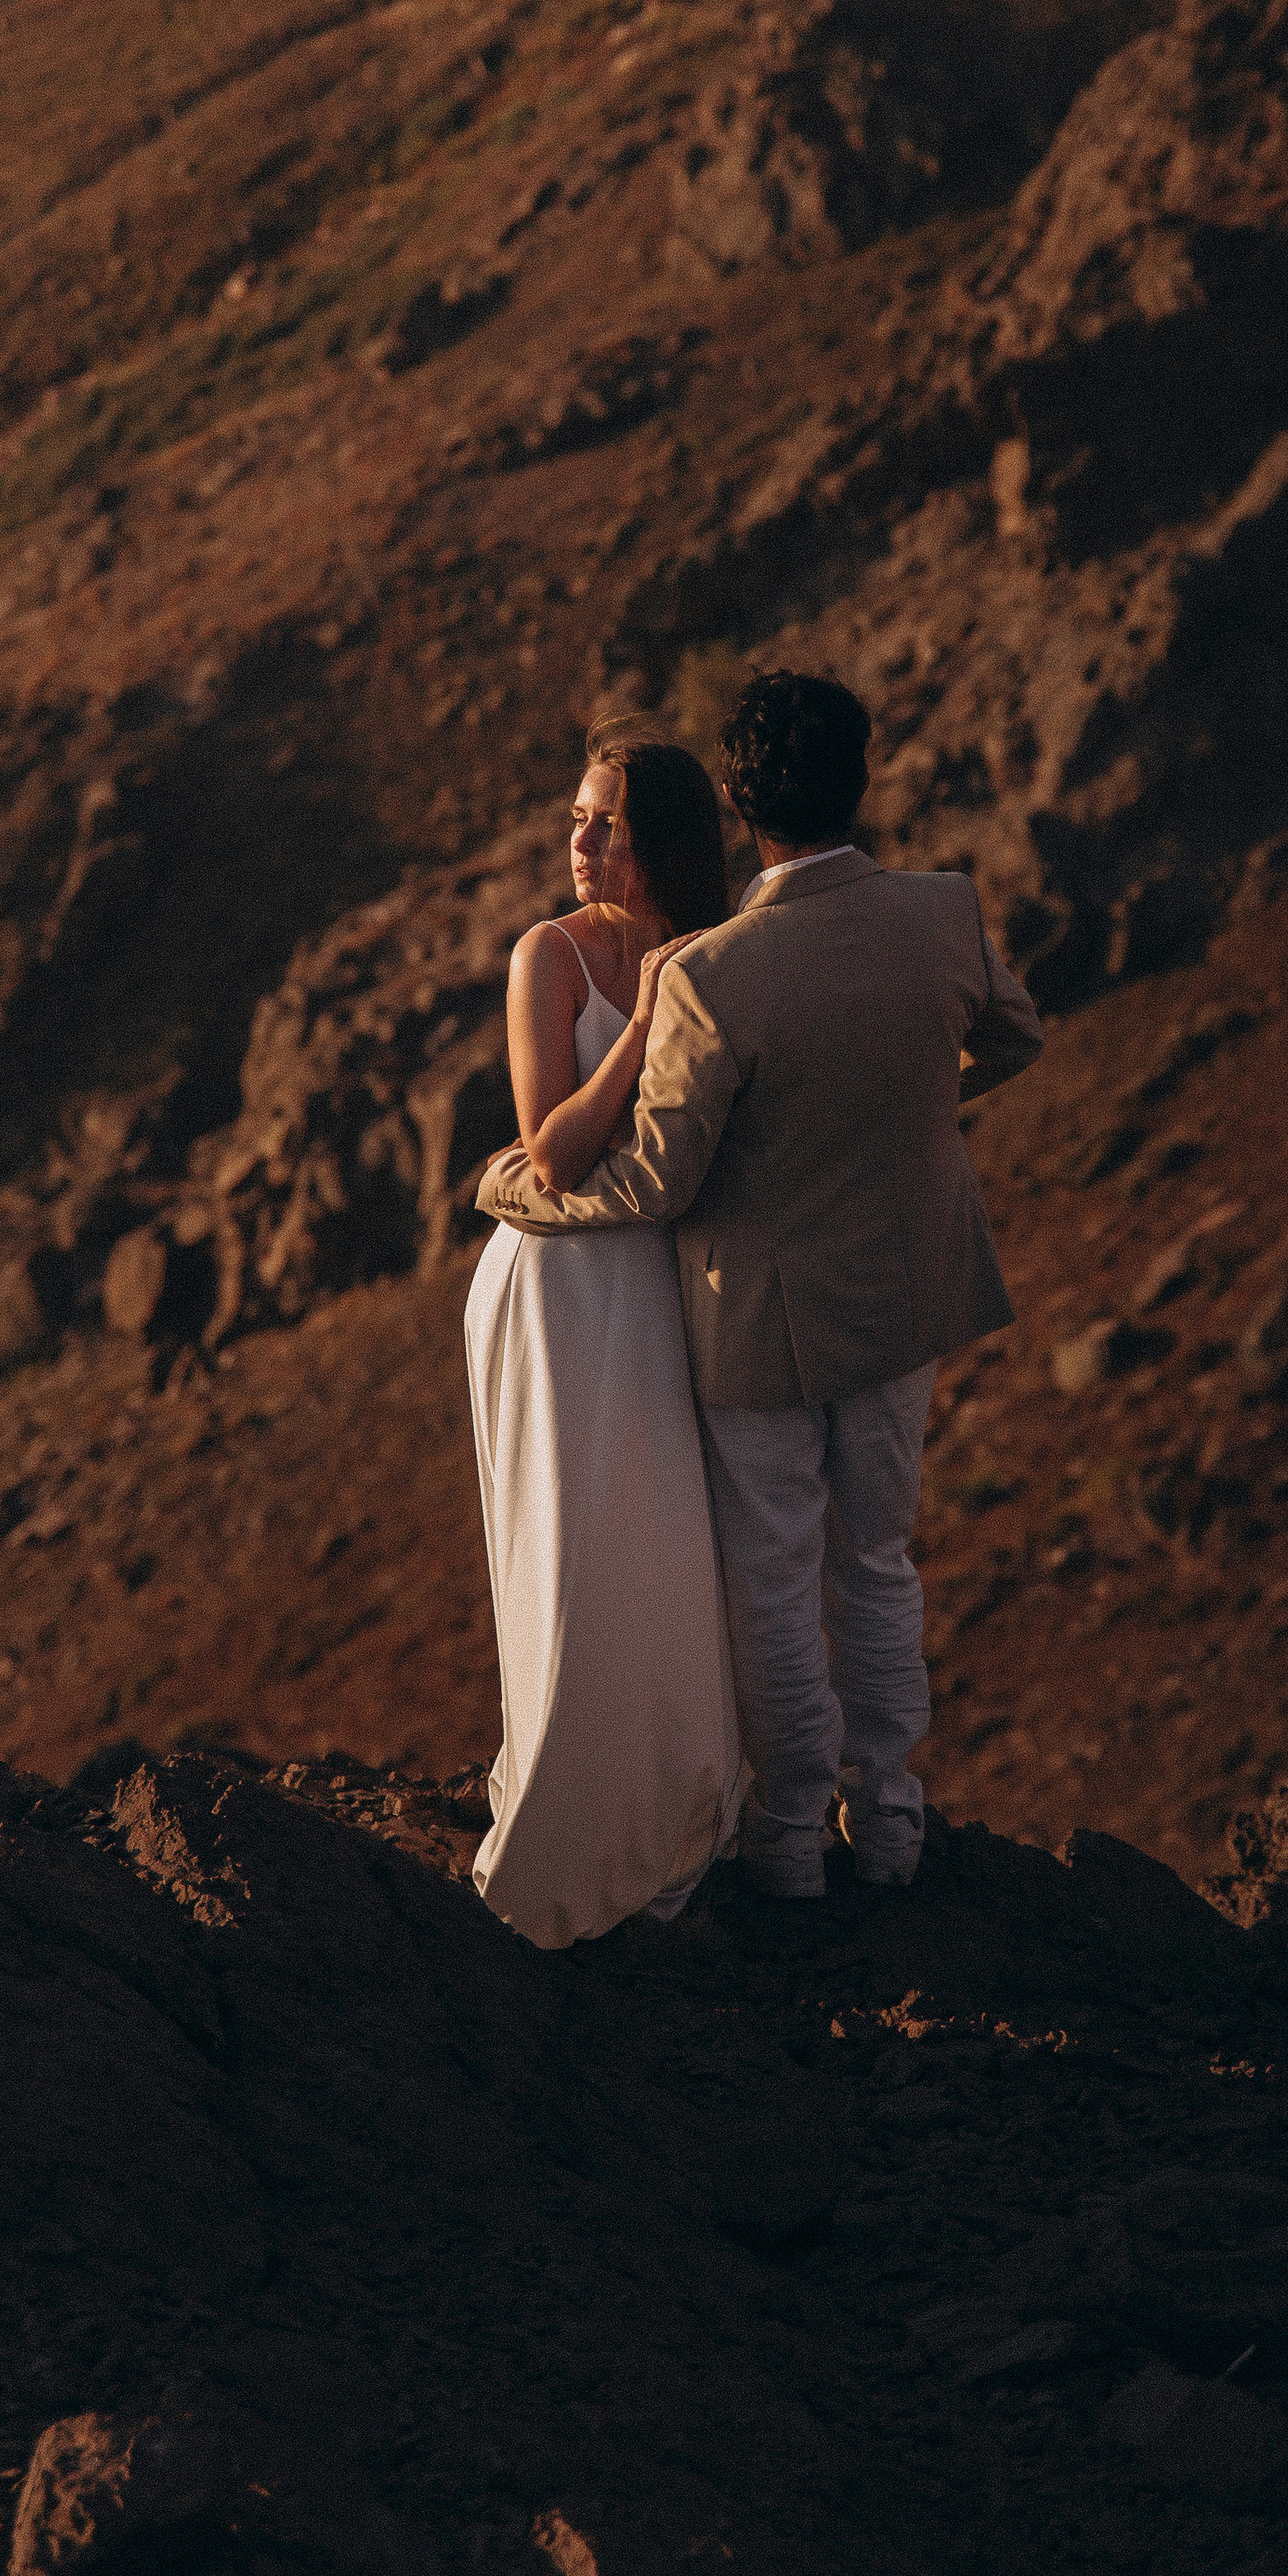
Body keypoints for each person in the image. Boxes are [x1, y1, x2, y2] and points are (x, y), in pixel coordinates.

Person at [479, 669, 1043, 1898]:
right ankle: (890, 1821)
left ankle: (793, 1841)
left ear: (736, 803)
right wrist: (905, 1118)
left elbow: (661, 1185)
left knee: (778, 1577)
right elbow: (1016, 1037)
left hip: (757, 1318)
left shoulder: (720, 971)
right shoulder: (944, 911)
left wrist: (511, 1189)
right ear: (862, 774)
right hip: (907, 1290)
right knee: (881, 1560)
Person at [462, 724, 744, 1945]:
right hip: (557, 1284)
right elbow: (552, 1149)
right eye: (575, 819)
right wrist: (648, 1021)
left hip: (661, 1286)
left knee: (665, 1548)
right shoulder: (552, 955)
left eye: (606, 825)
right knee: (571, 1547)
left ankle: (677, 1817)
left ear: (663, 842)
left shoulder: (732, 952)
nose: (578, 843)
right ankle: (563, 1833)